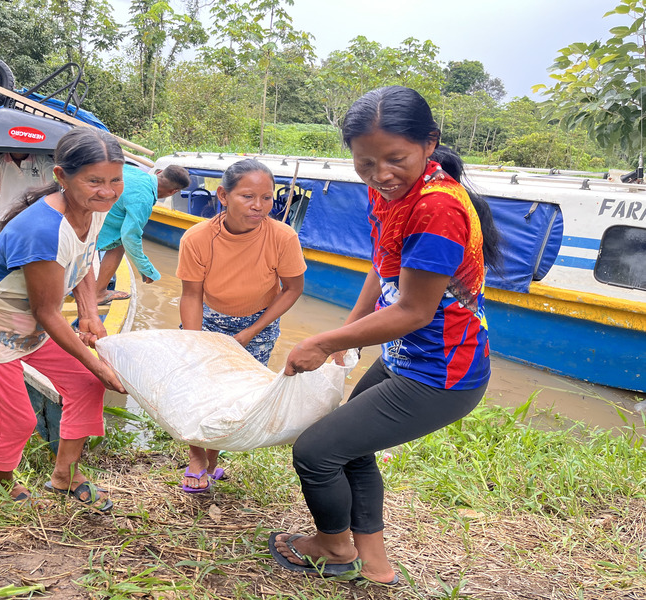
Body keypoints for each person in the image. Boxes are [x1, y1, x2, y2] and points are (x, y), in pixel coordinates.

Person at [269, 86, 501, 585]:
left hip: (440, 374)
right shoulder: (389, 192)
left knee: (315, 452)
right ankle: (374, 564)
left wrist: (324, 342)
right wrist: (350, 333)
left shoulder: (438, 210)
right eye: (365, 164)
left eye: (395, 159)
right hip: (405, 357)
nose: (380, 175)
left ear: (429, 143)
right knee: (350, 447)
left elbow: (414, 311)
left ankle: (333, 547)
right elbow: (382, 265)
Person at [0, 127, 128, 512]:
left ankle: (65, 476)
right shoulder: (44, 230)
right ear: (62, 176)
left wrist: (89, 313)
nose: (107, 191)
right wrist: (97, 363)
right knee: (16, 421)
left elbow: (82, 262)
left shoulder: (93, 211)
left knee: (85, 384)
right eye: (94, 181)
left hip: (29, 326)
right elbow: (47, 312)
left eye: (115, 180)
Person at [176, 158, 306, 493]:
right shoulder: (197, 238)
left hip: (258, 324)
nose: (258, 206)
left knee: (233, 395)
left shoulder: (282, 237)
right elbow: (191, 295)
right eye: (248, 196)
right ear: (223, 195)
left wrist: (250, 332)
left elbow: (293, 289)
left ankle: (212, 460)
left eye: (266, 198)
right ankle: (196, 458)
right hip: (207, 317)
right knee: (197, 388)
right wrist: (195, 341)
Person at [93, 163, 190, 305]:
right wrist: (146, 268)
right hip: (91, 221)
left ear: (159, 172)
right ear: (173, 192)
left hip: (85, 207)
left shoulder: (133, 171)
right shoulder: (144, 199)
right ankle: (99, 293)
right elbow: (130, 237)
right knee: (120, 244)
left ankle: (97, 290)